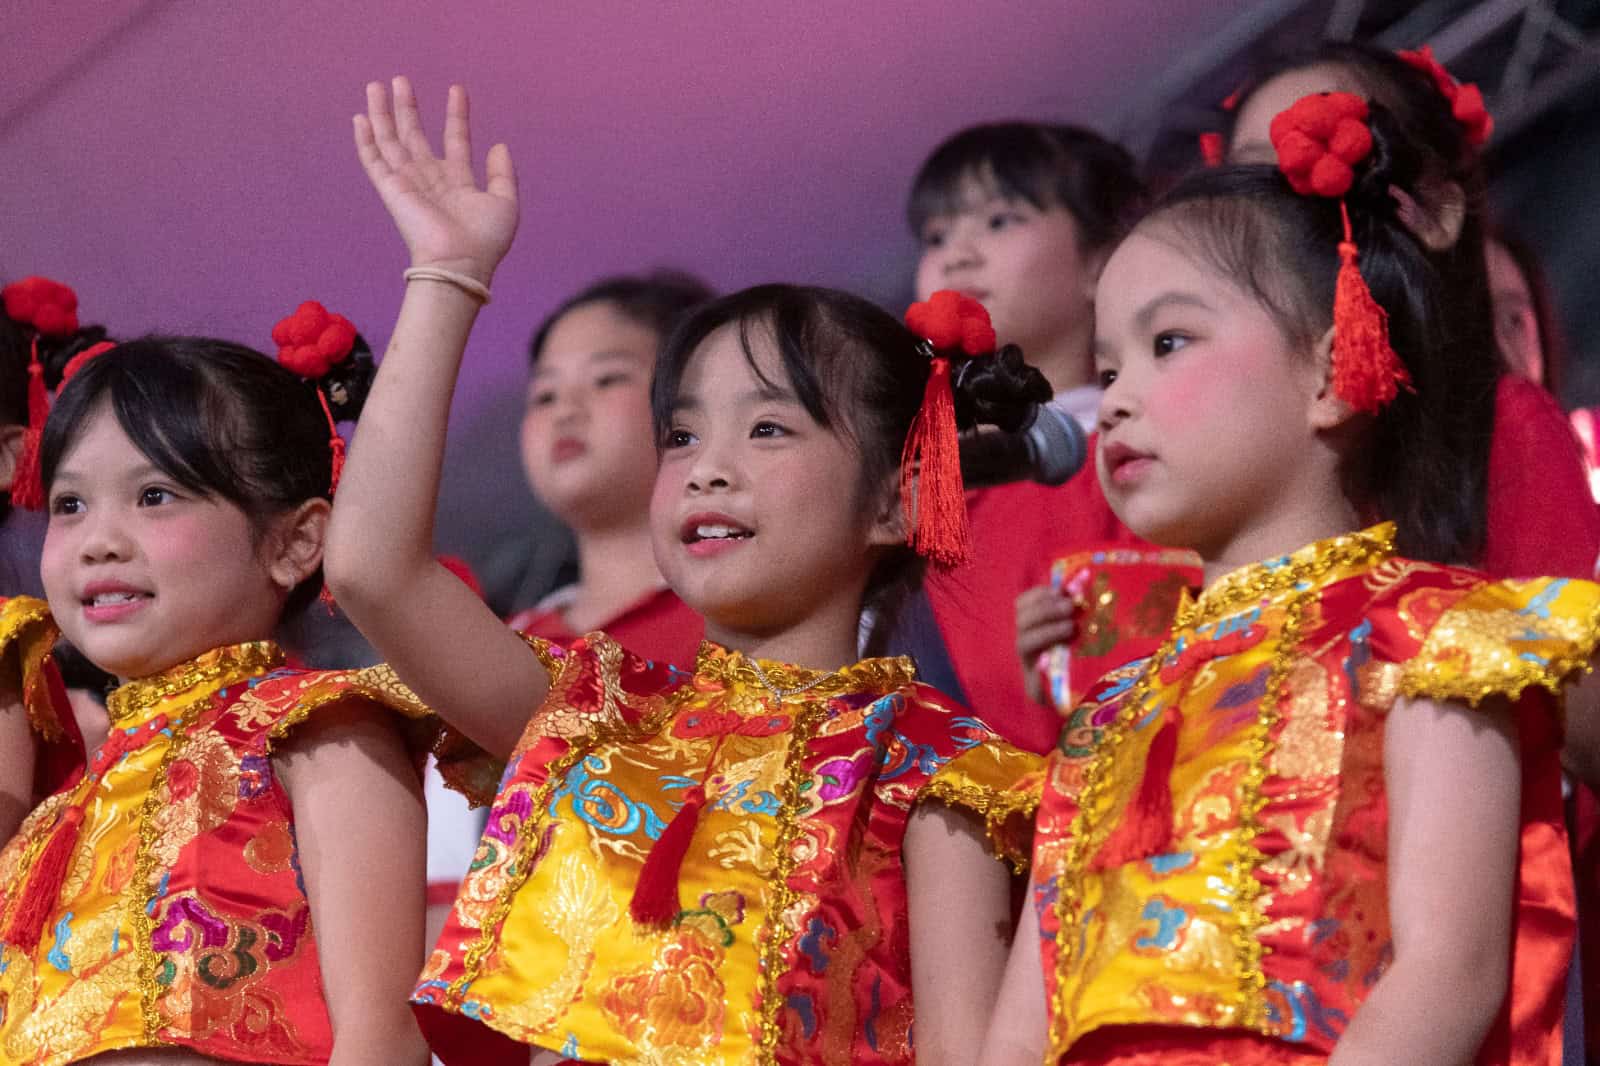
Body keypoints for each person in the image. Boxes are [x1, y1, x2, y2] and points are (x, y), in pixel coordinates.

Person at [328, 77, 1044, 1065]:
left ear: (892, 500)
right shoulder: (595, 712)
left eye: (766, 427)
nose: (707, 464)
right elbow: (371, 566)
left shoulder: (940, 773)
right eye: (681, 432)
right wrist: (447, 275)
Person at [981, 91, 1591, 1065]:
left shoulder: (1433, 634)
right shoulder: (1110, 712)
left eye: (1166, 342)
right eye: (1106, 364)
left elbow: (1449, 973)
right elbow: (1016, 1033)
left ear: (1331, 372)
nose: (1119, 398)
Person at [0, 326, 433, 1064]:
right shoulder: (69, 802)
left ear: (294, 543)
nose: (98, 539)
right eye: (70, 504)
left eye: (154, 495)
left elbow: (383, 1033)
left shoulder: (319, 728)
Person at [1224, 39, 1600, 582]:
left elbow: (1569, 647)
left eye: (1331, 157)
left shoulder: (1503, 427)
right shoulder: (1232, 433)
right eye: (1254, 182)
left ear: (1437, 212)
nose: (1285, 207)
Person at [895, 122, 1164, 751]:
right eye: (936, 236)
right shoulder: (919, 497)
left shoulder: (1149, 437)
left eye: (999, 220)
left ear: (1102, 259)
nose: (956, 256)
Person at [504, 271, 709, 663]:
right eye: (545, 396)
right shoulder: (503, 646)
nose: (566, 411)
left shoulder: (752, 619)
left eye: (606, 379)